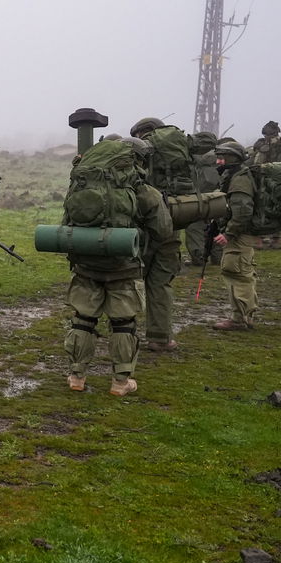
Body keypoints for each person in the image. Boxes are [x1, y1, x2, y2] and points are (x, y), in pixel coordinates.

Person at [63, 135, 172, 396]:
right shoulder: (139, 187)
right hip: (123, 266)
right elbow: (164, 230)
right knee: (123, 323)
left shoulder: (81, 181)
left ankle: (77, 376)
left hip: (86, 263)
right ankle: (120, 382)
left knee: (83, 320)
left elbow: (67, 219)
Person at [128, 117, 189, 352]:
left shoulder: (142, 156)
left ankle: (124, 331)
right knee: (160, 283)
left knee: (128, 280)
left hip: (141, 229)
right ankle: (161, 338)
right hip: (170, 222)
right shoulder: (179, 155)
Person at [210, 141, 259, 331]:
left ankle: (241, 319)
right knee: (237, 273)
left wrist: (229, 234)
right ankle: (242, 316)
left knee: (239, 274)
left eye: (222, 158)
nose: (218, 161)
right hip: (238, 233)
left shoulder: (239, 180)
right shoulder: (234, 176)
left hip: (239, 235)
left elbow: (243, 211)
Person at [185, 132, 221, 267]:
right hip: (217, 197)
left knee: (194, 227)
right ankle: (218, 257)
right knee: (217, 226)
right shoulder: (220, 155)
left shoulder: (192, 156)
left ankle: (199, 257)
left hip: (197, 197)